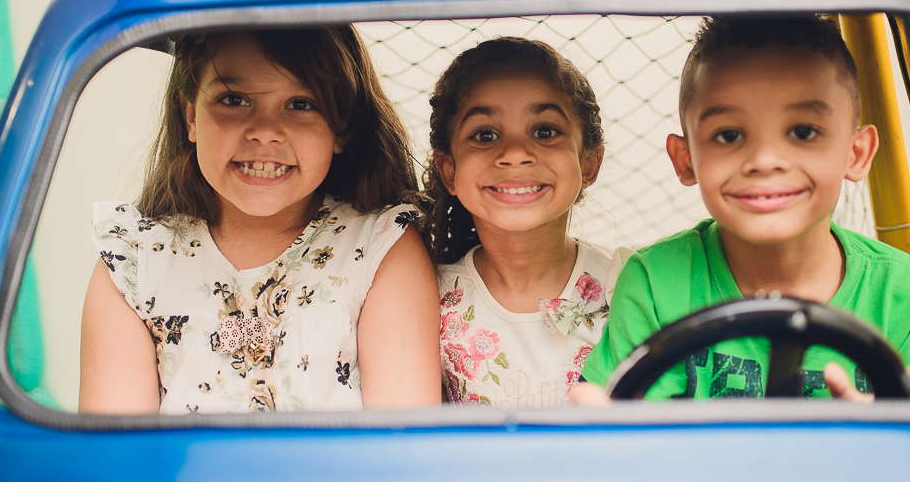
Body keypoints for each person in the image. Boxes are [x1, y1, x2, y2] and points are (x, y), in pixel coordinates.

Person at [578, 14, 910, 403]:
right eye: (729, 135)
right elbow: (624, 442)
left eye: (803, 132)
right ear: (685, 160)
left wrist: (901, 436)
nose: (764, 159)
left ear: (856, 153)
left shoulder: (909, 295)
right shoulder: (654, 283)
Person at [79, 27, 441, 415]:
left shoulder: (380, 247)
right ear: (191, 117)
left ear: (342, 126)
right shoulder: (133, 264)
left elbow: (403, 448)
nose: (265, 132)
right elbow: (115, 460)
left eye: (300, 104)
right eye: (234, 100)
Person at [425, 37, 631, 409]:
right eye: (485, 135)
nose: (516, 153)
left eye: (545, 131)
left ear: (589, 163)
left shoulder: (630, 282)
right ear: (449, 170)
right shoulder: (426, 297)